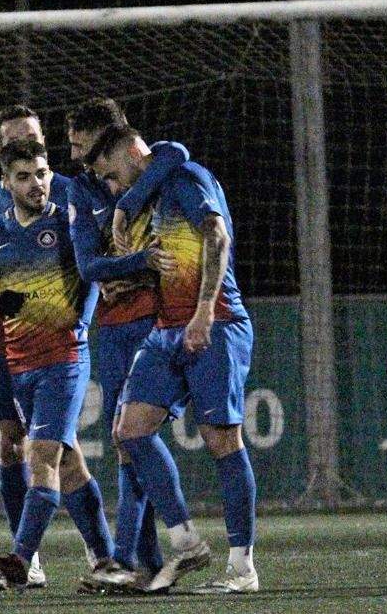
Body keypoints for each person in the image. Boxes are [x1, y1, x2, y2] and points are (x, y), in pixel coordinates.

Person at [84, 124, 257, 594]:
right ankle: (186, 542)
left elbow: (217, 236)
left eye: (112, 175)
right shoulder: (156, 193)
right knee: (129, 431)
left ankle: (242, 568)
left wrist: (204, 311)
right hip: (166, 331)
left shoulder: (186, 178)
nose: (113, 188)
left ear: (131, 152)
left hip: (216, 322)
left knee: (223, 439)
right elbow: (175, 260)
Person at [0, 140, 113, 592]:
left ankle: (21, 559)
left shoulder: (68, 222)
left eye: (43, 174)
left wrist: (83, 318)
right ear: (6, 182)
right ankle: (106, 560)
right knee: (69, 463)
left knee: (41, 456)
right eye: (25, 176)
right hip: (19, 362)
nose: (37, 184)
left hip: (63, 359)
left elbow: (94, 268)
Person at [65, 97, 190, 589]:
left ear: (105, 137)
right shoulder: (80, 189)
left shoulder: (150, 166)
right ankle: (149, 565)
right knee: (127, 445)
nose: (75, 154)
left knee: (131, 440)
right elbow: (88, 267)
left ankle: (126, 558)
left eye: (81, 143)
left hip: (157, 322)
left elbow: (177, 152)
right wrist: (138, 262)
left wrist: (128, 205)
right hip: (113, 328)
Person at [0, 105, 70, 589]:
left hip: (59, 342)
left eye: (33, 139)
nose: (34, 179)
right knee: (11, 446)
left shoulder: (68, 194)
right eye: (13, 143)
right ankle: (30, 557)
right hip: (2, 339)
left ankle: (100, 553)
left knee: (57, 453)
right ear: (1, 157)